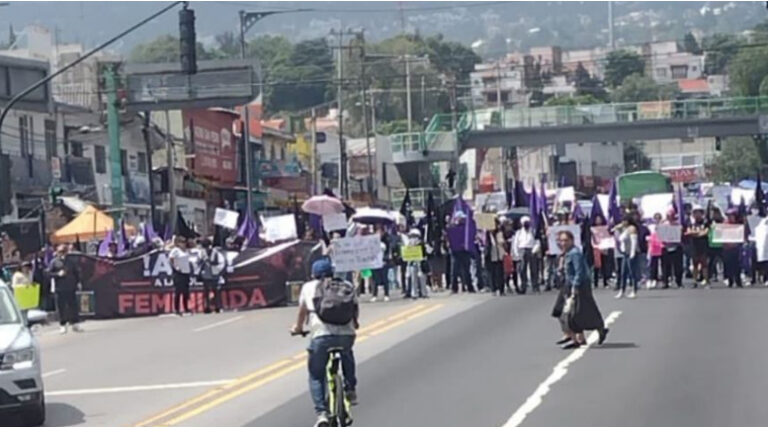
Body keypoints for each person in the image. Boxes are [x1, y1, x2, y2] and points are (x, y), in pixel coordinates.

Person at [291, 259, 358, 427]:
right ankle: (350, 389)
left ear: (313, 273)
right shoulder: (346, 285)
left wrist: (297, 328)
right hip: (346, 334)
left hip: (321, 336)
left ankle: (321, 413)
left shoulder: (308, 287)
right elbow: (354, 309)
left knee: (316, 374)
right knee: (347, 352)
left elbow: (302, 312)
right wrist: (355, 323)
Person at [557, 230, 609, 349]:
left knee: (578, 311)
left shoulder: (575, 253)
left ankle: (596, 330)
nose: (563, 243)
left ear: (572, 240)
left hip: (580, 285)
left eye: (566, 240)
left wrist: (575, 287)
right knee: (578, 311)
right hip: (571, 283)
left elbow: (579, 271)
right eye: (561, 240)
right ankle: (584, 336)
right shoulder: (567, 253)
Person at [48, 245, 82, 334]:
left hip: (70, 287)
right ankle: (62, 325)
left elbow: (76, 273)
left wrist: (78, 282)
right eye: (60, 252)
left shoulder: (71, 262)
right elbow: (48, 273)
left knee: (73, 306)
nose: (62, 254)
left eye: (64, 251)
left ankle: (75, 324)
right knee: (61, 307)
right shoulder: (54, 262)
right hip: (59, 288)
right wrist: (57, 274)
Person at [512, 216, 538, 294]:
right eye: (524, 223)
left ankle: (535, 286)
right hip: (522, 250)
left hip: (531, 250)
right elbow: (515, 243)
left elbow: (537, 241)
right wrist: (516, 253)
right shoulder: (518, 232)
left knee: (533, 269)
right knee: (522, 270)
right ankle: (523, 287)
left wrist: (534, 250)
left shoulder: (533, 231)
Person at [199, 238, 225, 313]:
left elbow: (221, 262)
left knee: (216, 291)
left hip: (214, 274)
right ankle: (207, 307)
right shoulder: (201, 253)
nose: (207, 248)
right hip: (205, 274)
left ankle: (218, 307)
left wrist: (217, 270)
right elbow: (198, 262)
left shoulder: (216, 252)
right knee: (206, 292)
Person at [687, 205, 710, 288]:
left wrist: (695, 233)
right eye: (695, 213)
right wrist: (698, 233)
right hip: (694, 246)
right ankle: (694, 281)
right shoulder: (691, 223)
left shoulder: (705, 223)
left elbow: (706, 232)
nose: (697, 215)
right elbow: (688, 232)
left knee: (704, 265)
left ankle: (706, 281)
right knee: (695, 264)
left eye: (698, 213)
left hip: (703, 246)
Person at [169, 236, 193, 315]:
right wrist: (175, 267)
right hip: (178, 273)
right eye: (181, 242)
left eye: (184, 242)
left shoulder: (186, 251)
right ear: (178, 243)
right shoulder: (175, 250)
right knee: (178, 291)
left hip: (186, 272)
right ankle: (176, 309)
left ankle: (186, 308)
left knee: (185, 291)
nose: (183, 244)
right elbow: (171, 259)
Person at [616, 217, 639, 299]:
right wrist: (618, 230)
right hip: (625, 253)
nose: (623, 222)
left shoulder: (632, 229)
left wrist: (632, 253)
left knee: (632, 272)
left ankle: (634, 290)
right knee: (623, 272)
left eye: (624, 220)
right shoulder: (624, 229)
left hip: (631, 253)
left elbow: (634, 242)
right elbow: (620, 239)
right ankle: (622, 290)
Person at [661, 209, 685, 289]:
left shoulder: (677, 225)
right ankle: (665, 282)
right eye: (668, 216)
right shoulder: (664, 225)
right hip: (666, 247)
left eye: (671, 216)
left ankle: (679, 282)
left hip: (676, 247)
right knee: (665, 266)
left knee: (678, 266)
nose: (670, 217)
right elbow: (660, 236)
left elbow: (681, 235)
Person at [723, 208, 744, 288]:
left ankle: (738, 281)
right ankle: (730, 280)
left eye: (731, 216)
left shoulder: (738, 225)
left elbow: (741, 237)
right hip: (727, 248)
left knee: (737, 265)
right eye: (728, 216)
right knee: (728, 265)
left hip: (735, 248)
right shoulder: (724, 224)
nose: (730, 217)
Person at [486, 218, 507, 296]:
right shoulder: (487, 234)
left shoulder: (500, 233)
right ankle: (493, 289)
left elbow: (503, 242)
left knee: (500, 273)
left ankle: (501, 289)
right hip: (491, 256)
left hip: (499, 255)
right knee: (492, 274)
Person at [370, 226, 391, 302]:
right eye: (377, 232)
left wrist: (386, 259)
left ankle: (386, 294)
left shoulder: (386, 241)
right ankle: (374, 295)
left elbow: (388, 252)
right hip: (374, 262)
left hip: (383, 262)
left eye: (380, 232)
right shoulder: (371, 242)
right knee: (375, 279)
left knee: (385, 278)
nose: (378, 234)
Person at [405, 229, 428, 299]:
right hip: (412, 262)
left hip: (420, 262)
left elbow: (425, 253)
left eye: (415, 236)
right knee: (413, 279)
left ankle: (424, 293)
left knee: (422, 278)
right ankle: (414, 294)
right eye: (412, 236)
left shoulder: (422, 244)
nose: (413, 238)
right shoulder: (408, 244)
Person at [647, 213, 664, 289]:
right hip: (653, 248)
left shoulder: (663, 226)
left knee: (662, 264)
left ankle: (662, 279)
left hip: (661, 247)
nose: (657, 219)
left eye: (658, 218)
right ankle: (653, 279)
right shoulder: (650, 227)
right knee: (653, 264)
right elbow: (648, 236)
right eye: (656, 218)